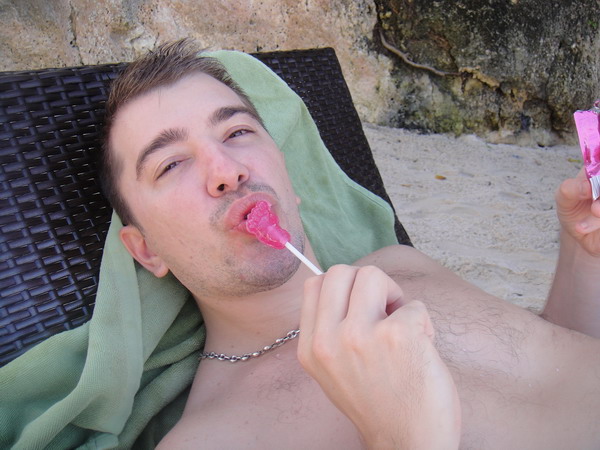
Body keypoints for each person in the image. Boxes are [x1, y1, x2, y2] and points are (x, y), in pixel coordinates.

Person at [100, 39, 600, 449]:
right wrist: (400, 437)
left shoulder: (400, 264)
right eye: (171, 164)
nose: (227, 171)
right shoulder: (212, 439)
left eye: (236, 132)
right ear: (147, 251)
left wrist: (585, 252)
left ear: (290, 181)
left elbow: (560, 363)